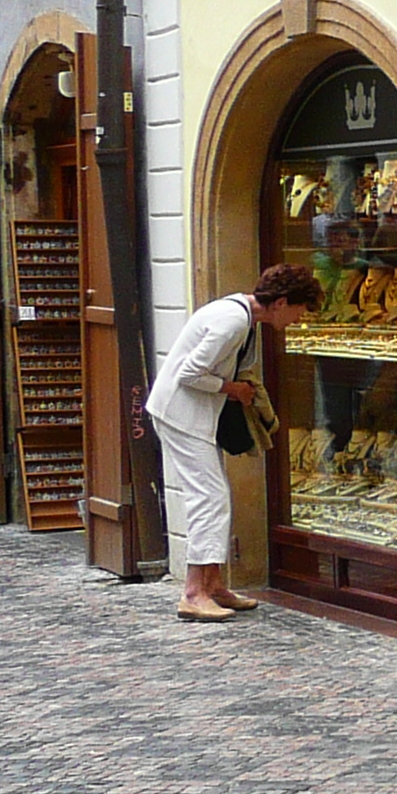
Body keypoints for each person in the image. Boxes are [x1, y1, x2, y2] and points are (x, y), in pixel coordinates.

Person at [145, 265, 321, 623]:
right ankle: (194, 592)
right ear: (282, 302)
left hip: (190, 415)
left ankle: (213, 584)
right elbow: (190, 373)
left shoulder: (240, 315)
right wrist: (233, 389)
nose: (300, 318)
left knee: (214, 494)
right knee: (209, 497)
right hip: (181, 415)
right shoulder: (234, 321)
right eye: (299, 310)